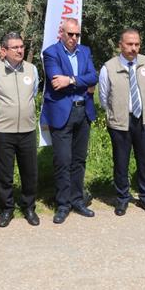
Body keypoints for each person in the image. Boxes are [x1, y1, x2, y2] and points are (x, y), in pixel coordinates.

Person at [40, 18, 98, 224]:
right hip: (62, 113)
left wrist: (71, 80)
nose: (74, 38)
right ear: (61, 33)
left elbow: (94, 77)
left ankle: (77, 200)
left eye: (77, 34)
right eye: (70, 34)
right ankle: (63, 204)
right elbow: (57, 82)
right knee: (63, 161)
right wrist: (82, 82)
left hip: (83, 112)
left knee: (79, 160)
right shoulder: (51, 53)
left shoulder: (85, 51)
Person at [0, 32, 40, 227]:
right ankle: (7, 209)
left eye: (21, 46)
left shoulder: (32, 70)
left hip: (27, 128)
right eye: (15, 47)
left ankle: (29, 207)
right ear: (4, 50)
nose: (20, 50)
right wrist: (3, 111)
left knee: (29, 171)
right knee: (4, 173)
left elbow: (34, 93)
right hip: (2, 130)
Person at [98, 28, 145, 216]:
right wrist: (116, 113)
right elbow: (103, 97)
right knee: (121, 162)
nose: (133, 48)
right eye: (129, 44)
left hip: (143, 120)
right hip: (120, 122)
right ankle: (122, 199)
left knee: (144, 161)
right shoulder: (108, 67)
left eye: (137, 44)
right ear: (120, 45)